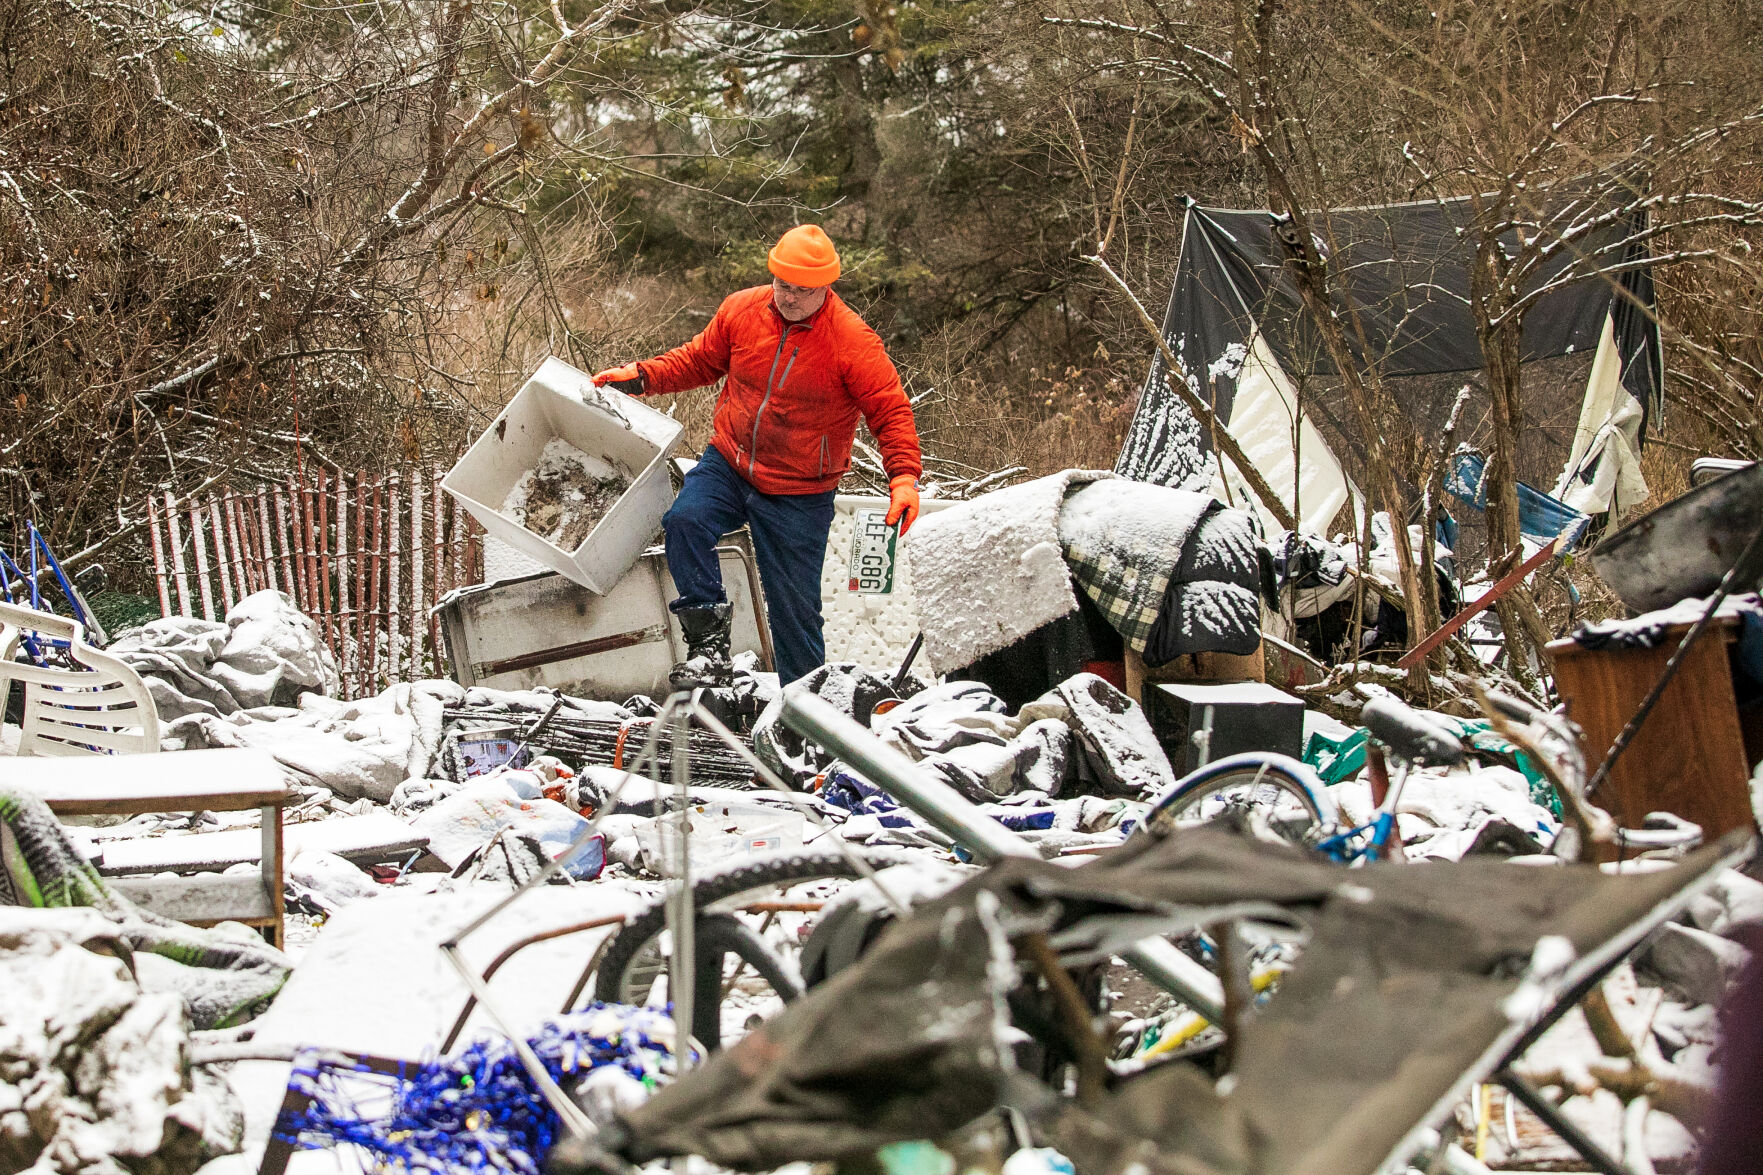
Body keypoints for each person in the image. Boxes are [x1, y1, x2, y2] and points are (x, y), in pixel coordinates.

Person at [593, 225, 923, 688]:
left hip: (800, 491)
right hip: (729, 463)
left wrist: (904, 478)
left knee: (795, 613)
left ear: (825, 287)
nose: (788, 298)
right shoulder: (743, 309)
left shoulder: (852, 342)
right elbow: (699, 360)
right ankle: (708, 648)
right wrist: (643, 376)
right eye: (782, 284)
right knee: (685, 521)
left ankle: (806, 716)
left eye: (801, 291)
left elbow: (890, 410)